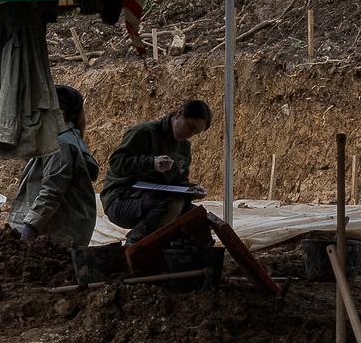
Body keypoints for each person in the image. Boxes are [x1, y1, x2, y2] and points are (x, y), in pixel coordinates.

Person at [101, 98, 212, 240]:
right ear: (179, 113)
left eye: (196, 133)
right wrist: (151, 163)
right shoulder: (145, 132)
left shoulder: (184, 147)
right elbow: (116, 163)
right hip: (121, 198)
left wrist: (192, 190)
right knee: (172, 204)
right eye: (190, 127)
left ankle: (177, 257)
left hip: (155, 198)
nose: (190, 134)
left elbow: (179, 181)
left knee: (197, 218)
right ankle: (134, 245)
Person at [12, 84, 100, 251]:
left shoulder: (61, 144)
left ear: (60, 113)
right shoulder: (64, 139)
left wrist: (29, 229)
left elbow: (51, 191)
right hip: (60, 231)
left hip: (58, 235)